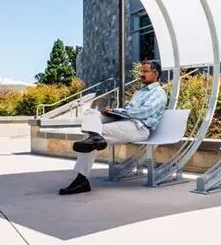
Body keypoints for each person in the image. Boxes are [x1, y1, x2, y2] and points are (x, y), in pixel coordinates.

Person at [59, 60, 167, 195]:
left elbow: (143, 112)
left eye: (145, 71)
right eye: (141, 71)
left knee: (92, 135)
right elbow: (129, 110)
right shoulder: (140, 92)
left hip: (139, 127)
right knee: (91, 113)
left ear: (155, 74)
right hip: (125, 120)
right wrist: (113, 111)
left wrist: (118, 112)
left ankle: (81, 179)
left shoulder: (158, 93)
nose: (141, 74)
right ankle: (95, 139)